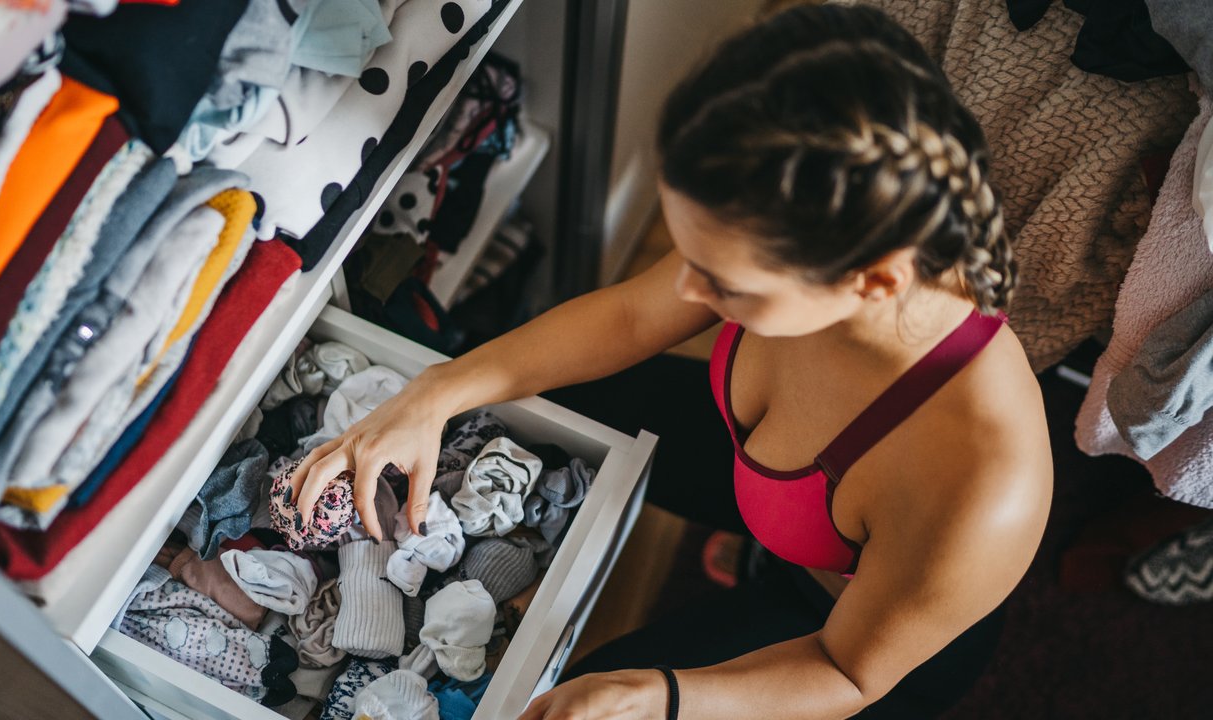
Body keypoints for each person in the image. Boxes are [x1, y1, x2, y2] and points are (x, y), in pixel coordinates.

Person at [290, 4, 1053, 717]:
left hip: (845, 642)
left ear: (874, 281)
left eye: (723, 283)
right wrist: (437, 389)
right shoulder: (815, 259)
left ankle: (783, 557)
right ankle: (773, 542)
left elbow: (848, 672)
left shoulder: (979, 488)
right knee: (517, 398)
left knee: (593, 686)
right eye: (686, 253)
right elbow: (629, 315)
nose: (686, 294)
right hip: (789, 498)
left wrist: (656, 695)